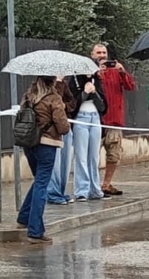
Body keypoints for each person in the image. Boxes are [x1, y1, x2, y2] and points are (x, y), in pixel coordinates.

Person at [17, 76, 71, 245]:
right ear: (52, 82)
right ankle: (35, 231)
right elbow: (63, 127)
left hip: (28, 142)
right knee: (42, 184)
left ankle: (24, 217)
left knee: (38, 181)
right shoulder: (53, 99)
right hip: (46, 145)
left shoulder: (28, 97)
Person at [91, 43, 133, 196]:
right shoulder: (90, 72)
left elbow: (130, 86)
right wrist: (96, 74)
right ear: (92, 55)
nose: (102, 55)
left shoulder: (116, 71)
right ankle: (93, 184)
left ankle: (106, 184)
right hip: (96, 120)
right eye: (98, 53)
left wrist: (122, 72)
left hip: (115, 120)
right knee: (92, 155)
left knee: (114, 155)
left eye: (104, 52)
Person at [66, 71, 107, 201]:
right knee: (81, 156)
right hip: (80, 119)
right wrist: (84, 93)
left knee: (94, 157)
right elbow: (73, 105)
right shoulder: (74, 81)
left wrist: (94, 93)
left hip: (95, 118)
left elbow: (103, 106)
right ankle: (82, 191)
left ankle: (95, 189)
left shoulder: (97, 81)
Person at [45, 78, 78, 205]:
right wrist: (57, 82)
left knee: (65, 162)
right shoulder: (44, 86)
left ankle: (60, 191)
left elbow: (71, 103)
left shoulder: (64, 84)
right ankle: (53, 193)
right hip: (52, 129)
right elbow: (54, 102)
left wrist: (66, 106)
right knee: (55, 163)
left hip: (65, 125)